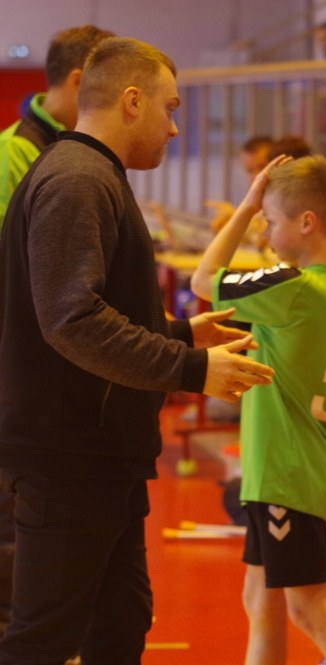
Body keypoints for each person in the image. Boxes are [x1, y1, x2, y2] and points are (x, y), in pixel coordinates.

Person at [0, 37, 274, 664]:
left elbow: (95, 315)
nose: (174, 128)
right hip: (68, 454)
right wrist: (190, 367)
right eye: (169, 109)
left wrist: (181, 335)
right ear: (131, 102)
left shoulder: (91, 174)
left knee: (120, 623)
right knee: (43, 639)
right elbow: (71, 320)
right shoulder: (76, 179)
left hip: (99, 453)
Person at [190, 155, 326, 665]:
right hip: (302, 474)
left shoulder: (294, 286)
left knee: (310, 611)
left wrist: (247, 205)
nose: (264, 232)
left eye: (270, 221)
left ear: (306, 222)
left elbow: (204, 281)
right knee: (260, 601)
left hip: (284, 474)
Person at [0, 24, 115, 642]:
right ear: (79, 80)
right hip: (21, 383)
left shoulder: (69, 154)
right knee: (14, 533)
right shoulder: (22, 157)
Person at [0, 25, 114, 227]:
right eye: (109, 87)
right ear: (79, 81)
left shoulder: (79, 140)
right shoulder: (15, 148)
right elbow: (7, 240)